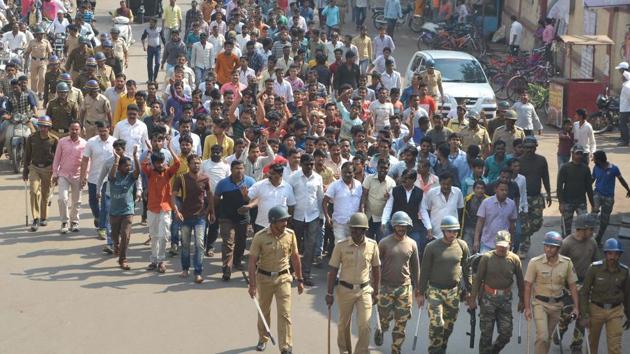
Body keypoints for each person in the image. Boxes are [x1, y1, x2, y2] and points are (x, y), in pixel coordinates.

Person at [247, 205, 304, 354]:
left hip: (284, 277)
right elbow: (252, 261)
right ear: (272, 221)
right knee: (264, 311)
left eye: (286, 220)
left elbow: (295, 258)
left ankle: (286, 346)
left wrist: (300, 279)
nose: (285, 223)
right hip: (264, 278)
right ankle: (263, 338)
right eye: (281, 221)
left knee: (285, 312)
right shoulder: (260, 237)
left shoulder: (290, 235)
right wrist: (252, 285)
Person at [325, 212, 381, 354]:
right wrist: (329, 293)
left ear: (364, 230)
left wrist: (377, 292)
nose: (354, 232)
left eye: (358, 229)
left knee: (365, 326)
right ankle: (344, 350)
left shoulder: (372, 245)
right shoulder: (341, 246)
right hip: (345, 289)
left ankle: (361, 352)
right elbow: (332, 270)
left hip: (364, 290)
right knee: (343, 325)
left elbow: (376, 269)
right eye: (352, 229)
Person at [417, 215, 472, 353]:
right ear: (443, 231)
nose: (452, 234)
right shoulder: (432, 247)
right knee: (437, 324)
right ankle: (434, 350)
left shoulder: (462, 245)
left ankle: (441, 348)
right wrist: (420, 292)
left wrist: (470, 290)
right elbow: (424, 271)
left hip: (454, 292)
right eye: (449, 231)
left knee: (448, 326)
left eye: (455, 231)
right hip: (435, 291)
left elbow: (466, 268)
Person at [524, 231, 580, 354]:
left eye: (552, 247)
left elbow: (573, 286)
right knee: (542, 337)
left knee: (548, 337)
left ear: (559, 248)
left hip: (557, 306)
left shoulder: (567, 263)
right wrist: (527, 308)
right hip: (540, 304)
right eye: (546, 246)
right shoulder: (535, 263)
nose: (548, 249)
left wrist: (576, 307)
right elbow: (528, 286)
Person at [470, 230, 524, 354]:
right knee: (486, 335)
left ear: (509, 244)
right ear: (495, 244)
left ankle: (493, 351)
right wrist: (472, 299)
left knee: (506, 333)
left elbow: (521, 281)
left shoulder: (514, 259)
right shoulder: (487, 258)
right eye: (499, 245)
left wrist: (522, 300)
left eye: (504, 246)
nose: (501, 248)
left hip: (505, 300)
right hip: (488, 299)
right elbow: (478, 279)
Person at [373, 211, 420, 353]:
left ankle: (396, 349)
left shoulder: (412, 244)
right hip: (385, 288)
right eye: (399, 226)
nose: (401, 228)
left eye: (404, 226)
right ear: (393, 226)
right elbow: (375, 265)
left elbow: (415, 267)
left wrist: (418, 288)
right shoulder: (384, 243)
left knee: (401, 323)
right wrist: (373, 285)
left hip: (404, 288)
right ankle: (380, 330)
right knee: (384, 320)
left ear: (408, 226)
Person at [556, 213, 599, 353]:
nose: (593, 232)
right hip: (569, 286)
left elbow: (596, 263)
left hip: (586, 285)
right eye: (591, 229)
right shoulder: (567, 243)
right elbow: (558, 265)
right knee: (568, 315)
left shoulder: (592, 242)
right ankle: (560, 330)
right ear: (582, 228)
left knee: (583, 316)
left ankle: (576, 344)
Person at [579, 238, 630, 354]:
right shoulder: (594, 269)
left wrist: (629, 315)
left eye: (616, 254)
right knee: (591, 344)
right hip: (596, 309)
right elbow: (584, 292)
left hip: (615, 311)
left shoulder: (624, 271)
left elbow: (628, 294)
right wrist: (585, 314)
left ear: (620, 255)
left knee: (615, 347)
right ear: (605, 253)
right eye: (610, 253)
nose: (613, 257)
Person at [172, 154, 215, 284]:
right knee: (185, 245)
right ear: (188, 164)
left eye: (198, 163)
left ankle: (198, 271)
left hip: (200, 217)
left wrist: (211, 211)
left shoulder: (205, 178)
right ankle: (185, 269)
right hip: (185, 217)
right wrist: (176, 211)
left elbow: (210, 194)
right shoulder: (181, 178)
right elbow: (173, 196)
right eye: (193, 163)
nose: (196, 165)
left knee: (200, 244)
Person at [141, 136, 181, 274]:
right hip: (152, 208)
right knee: (154, 235)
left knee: (164, 235)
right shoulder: (150, 172)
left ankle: (161, 260)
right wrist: (150, 152)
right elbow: (143, 165)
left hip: (165, 208)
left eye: (161, 162)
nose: (160, 164)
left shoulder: (168, 172)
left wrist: (170, 148)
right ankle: (154, 260)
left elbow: (178, 163)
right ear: (153, 163)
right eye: (157, 163)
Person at [214, 160, 255, 279]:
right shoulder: (223, 183)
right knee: (228, 242)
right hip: (226, 217)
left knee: (241, 241)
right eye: (237, 168)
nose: (239, 171)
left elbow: (254, 200)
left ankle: (237, 261)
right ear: (231, 170)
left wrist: (246, 198)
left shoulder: (250, 182)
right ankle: (227, 268)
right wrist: (213, 212)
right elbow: (216, 198)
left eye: (241, 168)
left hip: (243, 217)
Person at [288, 154, 324, 286]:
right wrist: (288, 216)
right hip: (296, 216)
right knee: (294, 245)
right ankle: (292, 271)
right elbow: (288, 196)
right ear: (301, 164)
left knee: (310, 246)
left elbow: (320, 198)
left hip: (313, 216)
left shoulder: (318, 178)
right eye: (307, 164)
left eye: (311, 164)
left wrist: (322, 216)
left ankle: (306, 274)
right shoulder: (293, 177)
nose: (309, 167)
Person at [80, 121, 115, 241]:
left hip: (108, 179)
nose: (102, 133)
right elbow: (85, 160)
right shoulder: (91, 142)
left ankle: (102, 228)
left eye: (104, 131)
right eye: (100, 131)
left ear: (109, 129)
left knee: (106, 204)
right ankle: (98, 217)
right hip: (94, 178)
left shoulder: (114, 142)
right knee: (93, 202)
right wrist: (83, 176)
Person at [23, 115, 58, 231]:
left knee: (45, 193)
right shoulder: (31, 138)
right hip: (34, 167)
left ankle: (44, 217)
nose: (43, 129)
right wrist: (25, 171)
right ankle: (36, 218)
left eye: (45, 127)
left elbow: (57, 158)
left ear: (49, 127)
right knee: (33, 191)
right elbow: (27, 156)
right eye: (41, 126)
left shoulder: (54, 140)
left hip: (48, 168)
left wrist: (56, 173)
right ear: (38, 126)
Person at [518, 136, 552, 259]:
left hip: (537, 197)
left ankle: (525, 236)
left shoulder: (541, 160)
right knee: (524, 224)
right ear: (523, 148)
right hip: (523, 198)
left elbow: (546, 177)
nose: (529, 150)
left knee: (537, 223)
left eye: (531, 148)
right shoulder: (519, 161)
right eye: (527, 148)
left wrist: (548, 193)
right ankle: (524, 247)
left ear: (535, 147)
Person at [107, 146, 140, 270]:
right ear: (120, 167)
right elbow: (111, 175)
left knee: (125, 234)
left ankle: (123, 259)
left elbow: (138, 171)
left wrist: (136, 157)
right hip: (114, 212)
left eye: (130, 165)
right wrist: (116, 161)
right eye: (126, 165)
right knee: (115, 235)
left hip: (127, 211)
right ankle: (116, 244)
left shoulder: (131, 176)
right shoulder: (113, 177)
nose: (129, 167)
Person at [51, 121, 86, 234]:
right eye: (72, 129)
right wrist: (55, 174)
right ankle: (64, 222)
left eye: (76, 129)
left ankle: (74, 221)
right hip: (63, 175)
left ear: (80, 130)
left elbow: (87, 162)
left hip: (78, 175)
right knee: (62, 199)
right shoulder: (62, 142)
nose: (74, 131)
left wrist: (85, 176)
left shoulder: (85, 144)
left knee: (77, 201)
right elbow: (56, 159)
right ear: (69, 129)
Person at [592, 150, 630, 245]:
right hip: (597, 194)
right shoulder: (596, 168)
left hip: (609, 198)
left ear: (599, 160)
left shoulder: (614, 169)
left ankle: (598, 238)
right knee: (593, 214)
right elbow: (592, 180)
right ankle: (589, 237)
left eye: (595, 158)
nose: (593, 160)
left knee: (605, 220)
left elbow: (621, 180)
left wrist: (628, 189)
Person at [557, 144, 594, 237]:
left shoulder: (586, 168)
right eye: (577, 153)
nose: (579, 156)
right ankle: (566, 246)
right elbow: (559, 187)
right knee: (566, 228)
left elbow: (589, 187)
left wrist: (593, 204)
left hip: (581, 202)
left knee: (584, 225)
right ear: (572, 154)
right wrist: (561, 203)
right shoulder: (565, 167)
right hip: (567, 202)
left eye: (581, 154)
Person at [323, 161, 363, 243]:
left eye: (349, 172)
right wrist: (327, 217)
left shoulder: (359, 185)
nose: (347, 175)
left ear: (354, 173)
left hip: (354, 224)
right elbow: (324, 201)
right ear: (341, 172)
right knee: (340, 245)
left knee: (353, 246)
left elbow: (362, 201)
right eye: (344, 172)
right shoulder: (335, 185)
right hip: (339, 223)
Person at [473, 181, 517, 253]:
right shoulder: (486, 203)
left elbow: (512, 225)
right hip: (486, 243)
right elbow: (480, 222)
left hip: (503, 244)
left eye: (506, 190)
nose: (504, 192)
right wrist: (476, 241)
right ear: (495, 190)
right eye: (502, 190)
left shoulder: (511, 204)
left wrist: (511, 241)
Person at [420, 172, 464, 240]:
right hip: (435, 233)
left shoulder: (458, 192)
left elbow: (460, 210)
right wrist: (429, 227)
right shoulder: (432, 193)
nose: (446, 186)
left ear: (452, 183)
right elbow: (425, 210)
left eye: (448, 184)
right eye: (443, 184)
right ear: (440, 182)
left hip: (452, 233)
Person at [361, 158, 396, 242]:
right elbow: (364, 196)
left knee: (381, 242)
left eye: (385, 168)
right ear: (377, 167)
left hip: (382, 219)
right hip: (369, 216)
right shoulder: (369, 178)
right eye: (381, 167)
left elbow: (391, 203)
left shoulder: (392, 183)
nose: (383, 170)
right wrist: (362, 212)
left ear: (388, 169)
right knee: (367, 241)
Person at [25, 26, 52, 100]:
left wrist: (51, 63)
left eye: (42, 34)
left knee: (42, 77)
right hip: (33, 61)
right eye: (39, 34)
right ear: (36, 35)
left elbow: (50, 53)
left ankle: (41, 92)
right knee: (34, 78)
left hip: (43, 62)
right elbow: (27, 53)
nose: (40, 35)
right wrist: (25, 63)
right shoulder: (32, 42)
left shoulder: (46, 42)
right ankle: (34, 93)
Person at [141, 17, 166, 83]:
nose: (150, 24)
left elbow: (163, 38)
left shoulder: (159, 29)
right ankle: (150, 79)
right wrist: (144, 46)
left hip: (157, 48)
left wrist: (166, 46)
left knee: (157, 63)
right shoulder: (147, 30)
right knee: (149, 63)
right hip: (150, 48)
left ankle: (154, 78)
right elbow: (143, 38)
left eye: (152, 23)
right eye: (150, 23)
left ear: (155, 23)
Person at [617, 64, 630, 146]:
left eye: (622, 77)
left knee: (623, 125)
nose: (621, 78)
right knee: (623, 124)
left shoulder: (627, 86)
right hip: (624, 108)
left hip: (625, 109)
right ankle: (624, 139)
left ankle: (625, 141)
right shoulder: (626, 85)